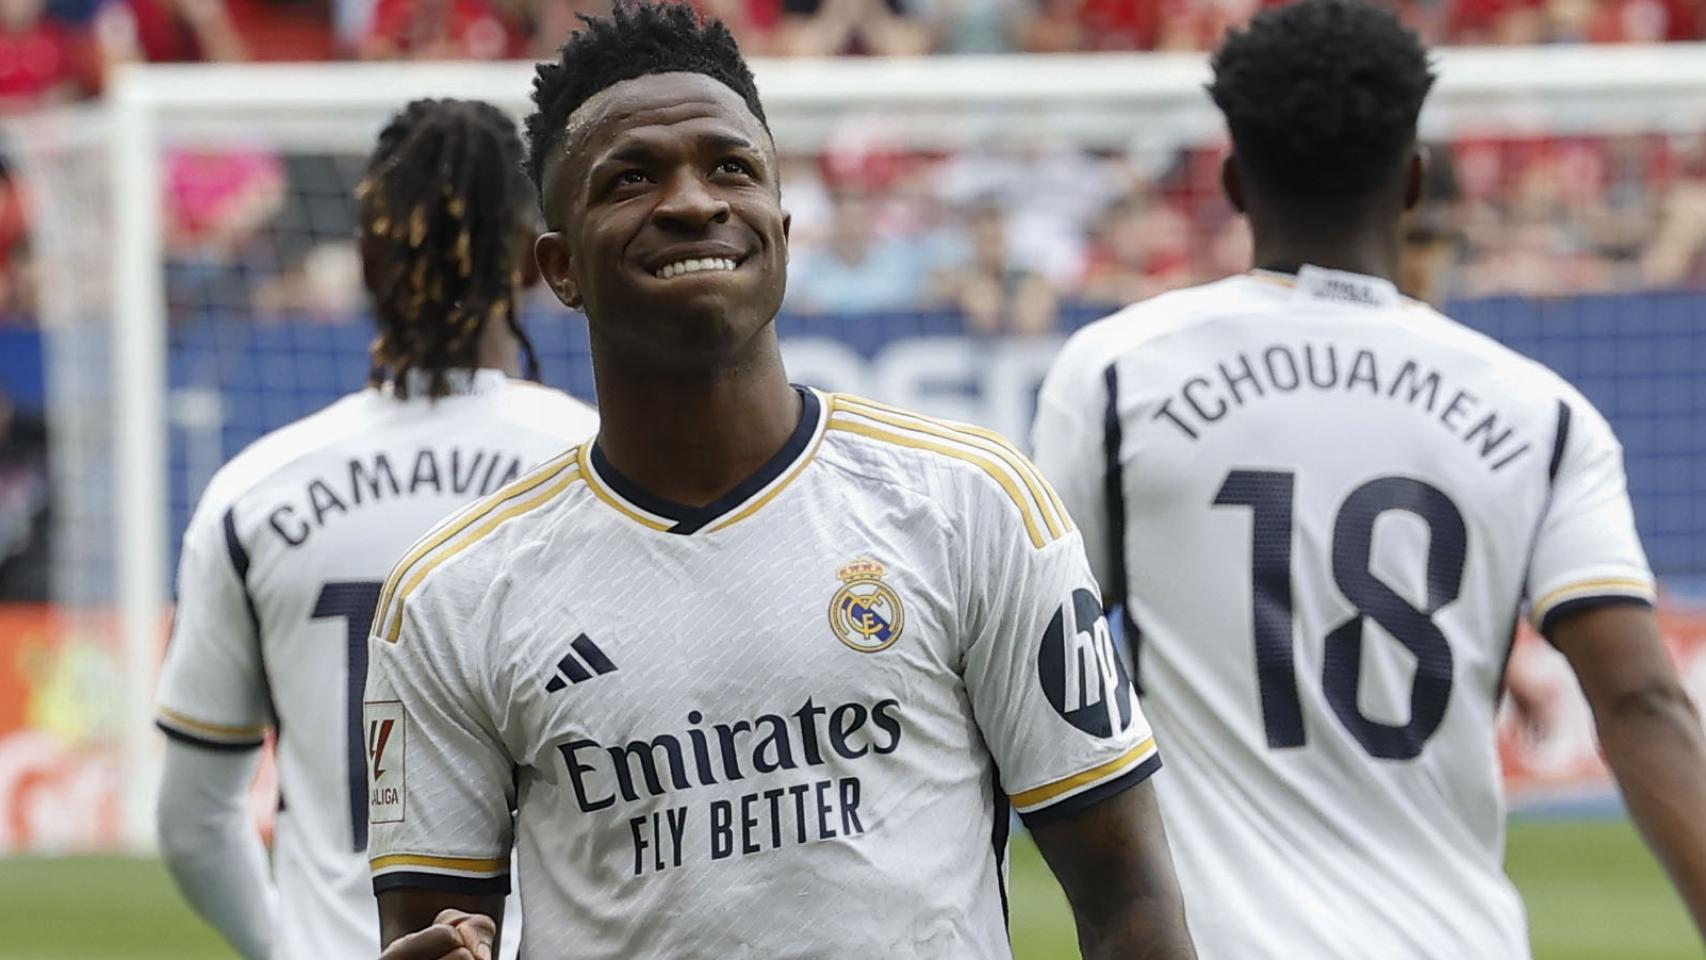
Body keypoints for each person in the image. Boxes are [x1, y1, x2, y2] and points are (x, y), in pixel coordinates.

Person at [364, 5, 1196, 959]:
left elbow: (1130, 897)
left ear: (783, 230)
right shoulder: (449, 597)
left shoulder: (973, 505)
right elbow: (427, 937)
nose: (692, 202)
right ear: (558, 267)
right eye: (632, 177)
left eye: (731, 167)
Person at [1031, 1, 1706, 956]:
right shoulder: (1539, 412)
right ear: (1414, 182)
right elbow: (1640, 701)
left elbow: (1038, 652)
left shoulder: (1113, 376)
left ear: (1229, 182)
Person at [153, 98, 599, 960]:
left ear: (364, 259)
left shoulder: (256, 495)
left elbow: (192, 820)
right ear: (529, 260)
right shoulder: (597, 467)